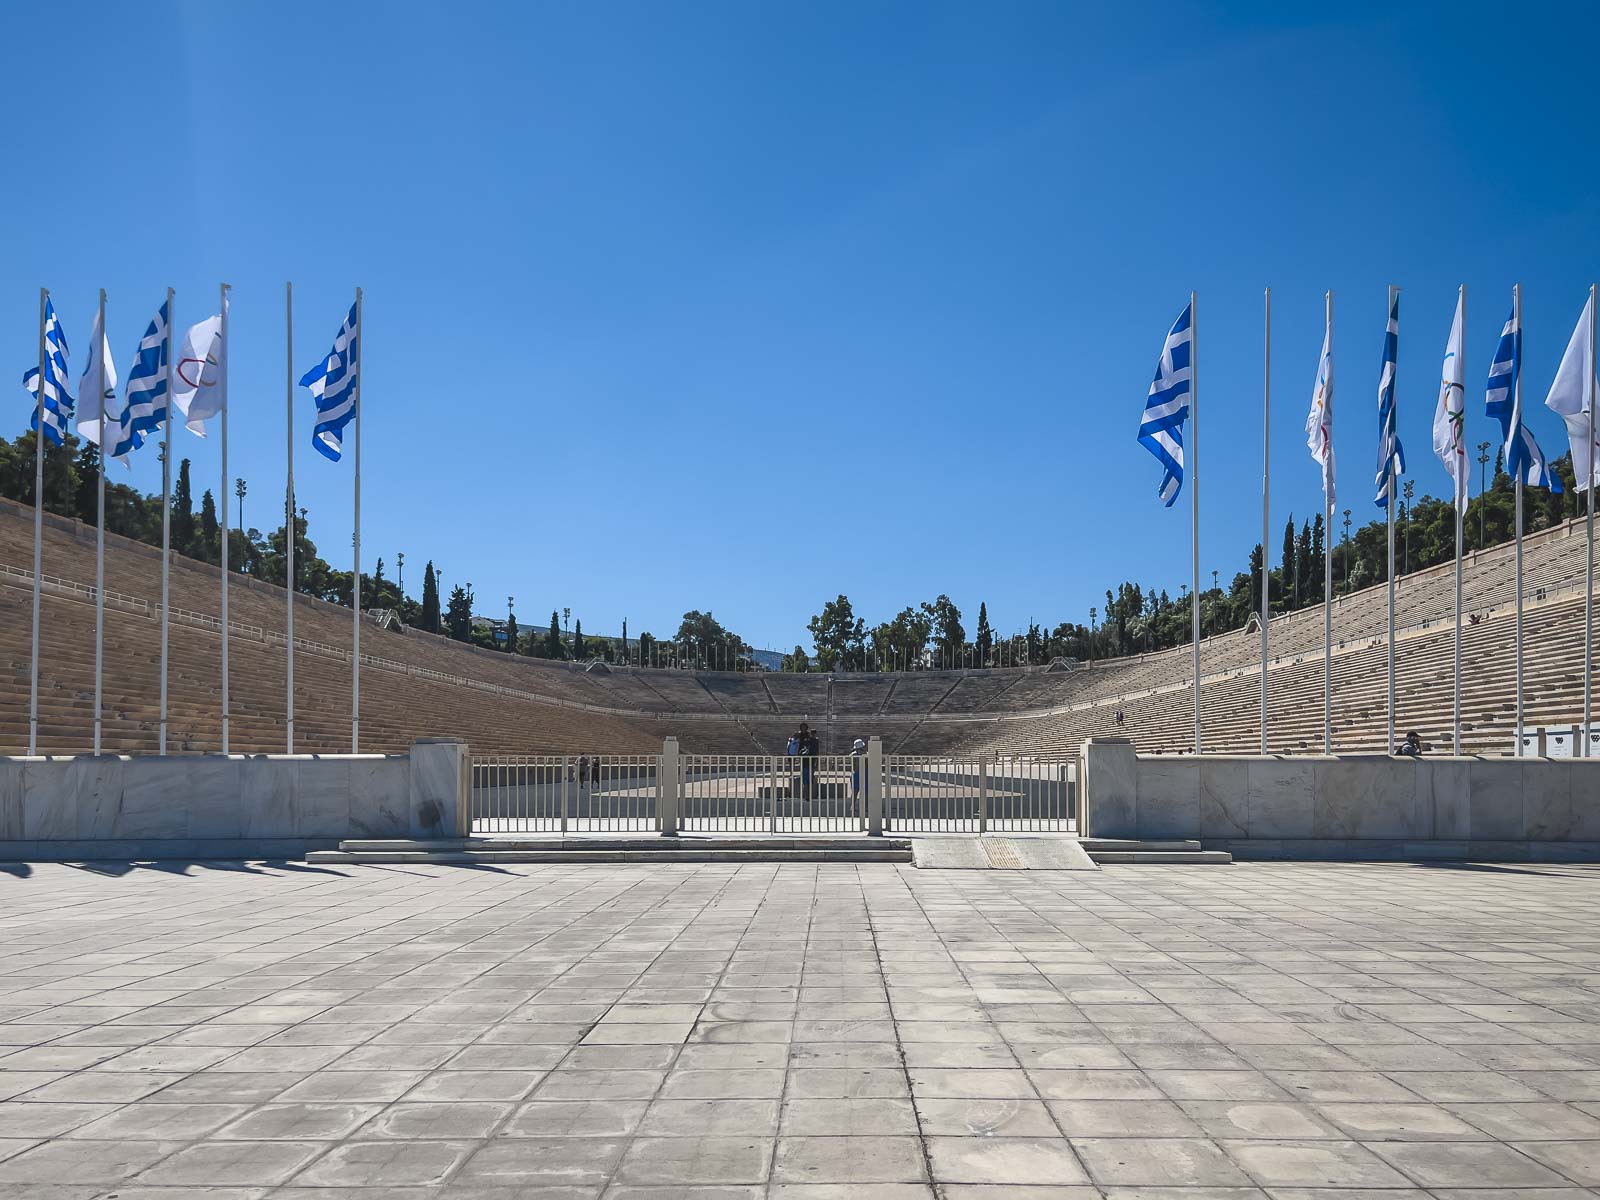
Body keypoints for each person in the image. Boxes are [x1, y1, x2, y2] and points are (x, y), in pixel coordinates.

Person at [797, 722, 818, 799]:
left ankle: (807, 795)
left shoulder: (814, 741)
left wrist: (816, 763)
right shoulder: (803, 740)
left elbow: (816, 753)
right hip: (805, 762)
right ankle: (805, 795)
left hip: (810, 762)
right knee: (805, 781)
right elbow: (800, 749)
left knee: (809, 780)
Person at [849, 737, 867, 803]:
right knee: (858, 791)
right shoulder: (854, 755)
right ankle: (855, 805)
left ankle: (855, 806)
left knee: (862, 791)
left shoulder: (854, 754)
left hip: (860, 773)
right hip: (859, 773)